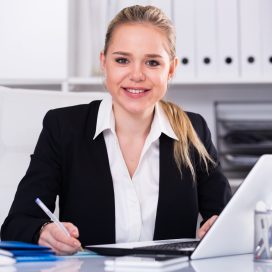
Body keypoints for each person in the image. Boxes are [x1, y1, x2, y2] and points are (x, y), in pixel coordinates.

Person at [0, 5, 231, 255]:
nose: (136, 74)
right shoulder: (63, 127)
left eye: (152, 62)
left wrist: (220, 226)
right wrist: (43, 231)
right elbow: (16, 223)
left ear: (171, 69)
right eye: (122, 60)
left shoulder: (193, 130)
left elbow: (227, 218)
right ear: (104, 63)